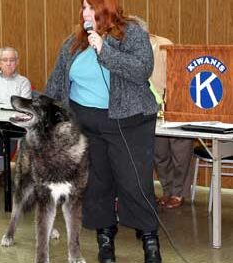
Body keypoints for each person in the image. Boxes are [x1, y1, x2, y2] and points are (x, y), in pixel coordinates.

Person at [45, 0, 161, 262]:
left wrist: (103, 49)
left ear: (106, 8)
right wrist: (39, 111)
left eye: (90, 7)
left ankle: (150, 242)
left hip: (129, 122)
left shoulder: (132, 33)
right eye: (83, 8)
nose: (85, 13)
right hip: (87, 124)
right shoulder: (73, 42)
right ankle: (105, 242)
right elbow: (56, 83)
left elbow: (141, 70)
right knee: (97, 185)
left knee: (134, 184)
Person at [150, 35, 194, 209]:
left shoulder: (164, 46)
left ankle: (178, 192)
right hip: (153, 109)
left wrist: (171, 105)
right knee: (159, 153)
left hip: (175, 105)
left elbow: (178, 77)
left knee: (180, 153)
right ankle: (168, 190)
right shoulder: (132, 49)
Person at [0, 46, 31, 186]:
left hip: (11, 123)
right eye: (5, 60)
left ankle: (3, 173)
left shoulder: (23, 82)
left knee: (4, 134)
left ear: (17, 62)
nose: (9, 63)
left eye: (12, 60)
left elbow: (25, 107)